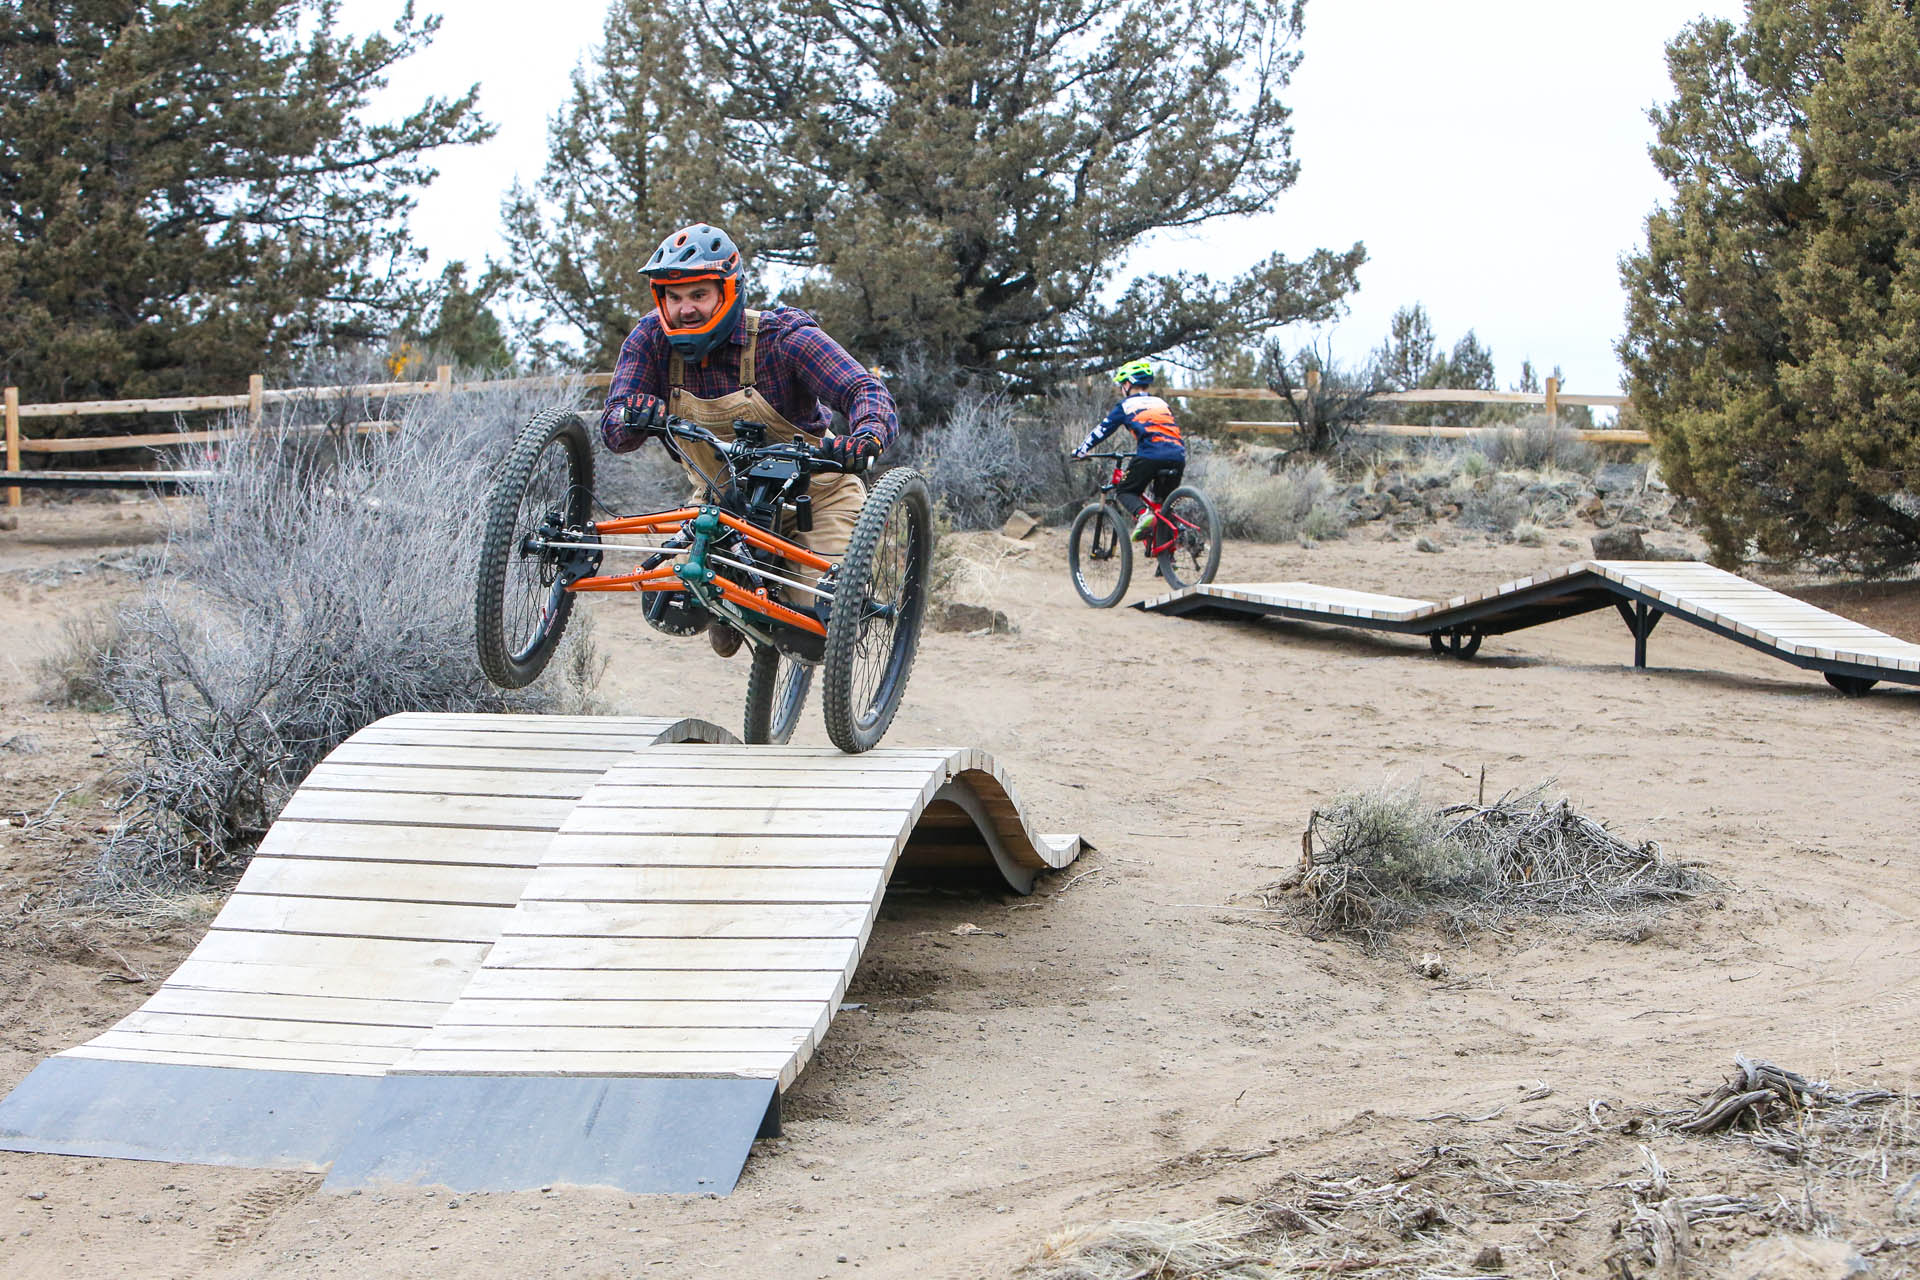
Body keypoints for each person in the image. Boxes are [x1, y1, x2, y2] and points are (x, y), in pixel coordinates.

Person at [599, 223, 899, 655]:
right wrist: (634, 415)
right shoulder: (651, 340)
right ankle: (730, 605)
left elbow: (863, 390)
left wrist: (866, 436)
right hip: (723, 502)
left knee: (815, 636)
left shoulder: (782, 338)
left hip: (818, 497)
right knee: (672, 604)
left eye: (698, 295)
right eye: (674, 297)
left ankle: (776, 600)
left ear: (729, 292)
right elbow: (615, 430)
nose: (685, 309)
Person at [1073, 359, 1187, 543]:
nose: (1121, 389)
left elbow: (1103, 429)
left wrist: (1082, 450)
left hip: (1151, 454)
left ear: (1128, 384)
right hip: (1178, 455)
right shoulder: (1161, 403)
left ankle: (1142, 514)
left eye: (1121, 384)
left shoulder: (1126, 405)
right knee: (1164, 507)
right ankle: (1170, 558)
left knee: (1125, 491)